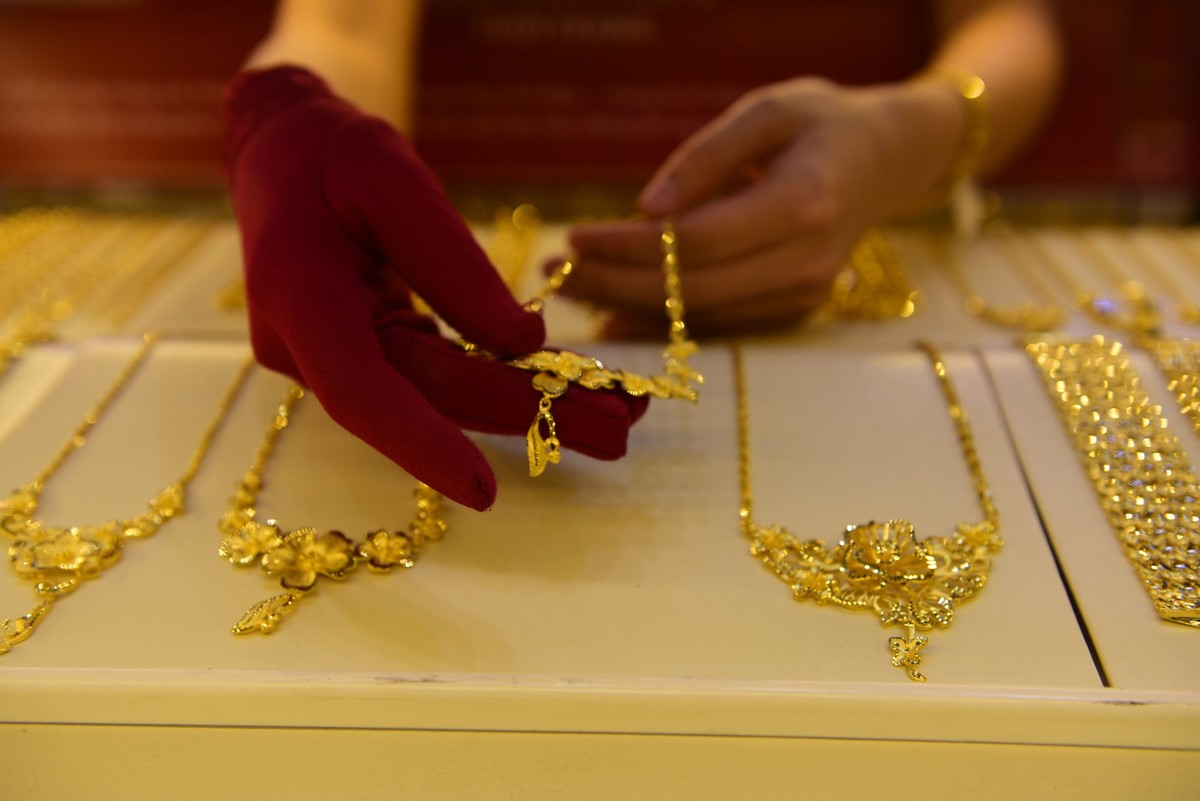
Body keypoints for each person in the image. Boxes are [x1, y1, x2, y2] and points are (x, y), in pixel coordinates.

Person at [222, 0, 1061, 509]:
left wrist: (904, 138)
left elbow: (1013, 25)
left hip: (874, 288)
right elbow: (342, 25)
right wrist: (287, 113)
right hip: (466, 222)